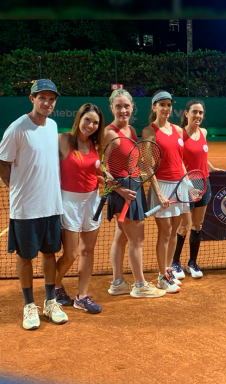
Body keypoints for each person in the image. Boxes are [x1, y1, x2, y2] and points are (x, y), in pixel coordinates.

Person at [0, 79, 68, 329]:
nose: (47, 103)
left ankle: (50, 301)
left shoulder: (53, 126)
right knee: (25, 256)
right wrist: (16, 188)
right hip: (26, 208)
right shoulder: (18, 128)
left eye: (51, 99)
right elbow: (3, 162)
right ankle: (29, 305)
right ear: (32, 99)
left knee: (50, 254)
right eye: (42, 98)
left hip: (52, 205)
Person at [105, 88, 166, 299]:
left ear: (132, 107)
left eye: (126, 106)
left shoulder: (130, 130)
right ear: (111, 108)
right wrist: (119, 190)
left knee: (121, 237)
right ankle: (140, 285)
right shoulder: (109, 133)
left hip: (134, 186)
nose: (123, 110)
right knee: (137, 240)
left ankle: (117, 283)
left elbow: (134, 161)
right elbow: (100, 168)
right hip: (123, 191)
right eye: (118, 106)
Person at [54, 103, 106, 313]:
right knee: (71, 254)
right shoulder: (63, 140)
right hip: (69, 203)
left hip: (92, 202)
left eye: (95, 122)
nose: (91, 125)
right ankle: (54, 286)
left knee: (88, 251)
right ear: (79, 119)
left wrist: (105, 179)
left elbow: (98, 172)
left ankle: (82, 296)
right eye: (87, 120)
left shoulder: (97, 145)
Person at [171, 99, 224, 279]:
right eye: (194, 112)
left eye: (201, 112)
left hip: (204, 183)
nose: (198, 116)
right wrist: (189, 186)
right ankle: (175, 263)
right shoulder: (180, 134)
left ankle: (192, 263)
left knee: (198, 225)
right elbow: (179, 161)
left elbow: (202, 155)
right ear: (186, 113)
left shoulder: (204, 132)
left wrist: (211, 168)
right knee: (183, 226)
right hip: (186, 185)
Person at [142, 90, 185, 293]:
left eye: (169, 105)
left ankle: (168, 270)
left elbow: (180, 160)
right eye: (162, 105)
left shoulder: (178, 130)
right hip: (162, 185)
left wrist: (187, 185)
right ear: (154, 107)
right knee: (165, 232)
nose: (166, 108)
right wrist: (158, 193)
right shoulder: (149, 131)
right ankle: (161, 276)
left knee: (174, 231)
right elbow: (147, 165)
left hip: (179, 185)